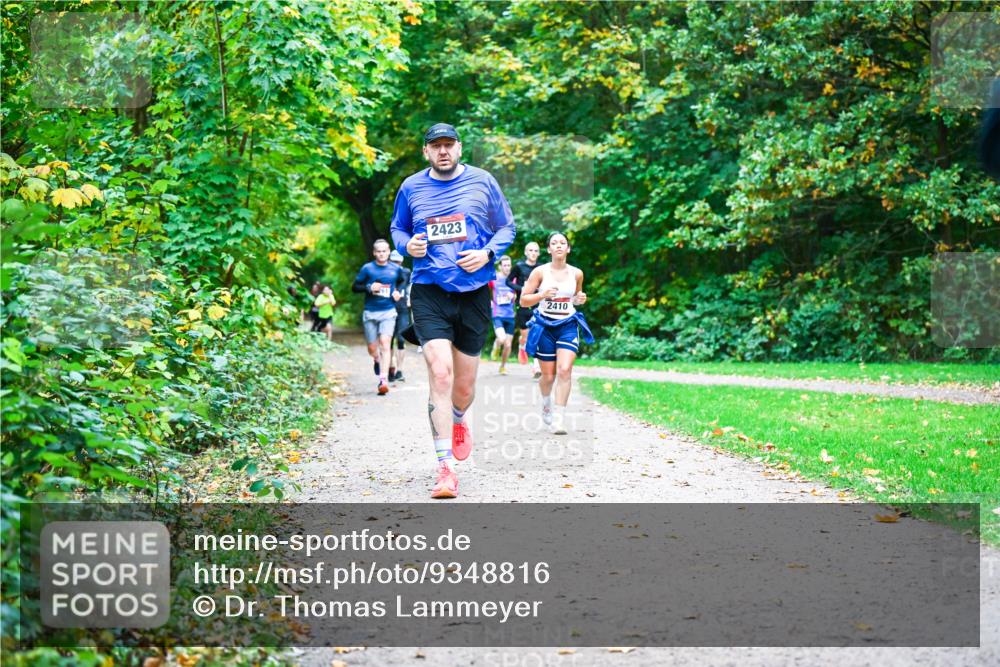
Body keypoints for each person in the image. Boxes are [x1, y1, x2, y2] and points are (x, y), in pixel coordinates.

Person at [390, 122, 515, 499]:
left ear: (459, 148)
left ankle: (459, 418)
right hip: (429, 290)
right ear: (426, 152)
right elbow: (398, 229)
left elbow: (506, 227)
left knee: (463, 387)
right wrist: (407, 245)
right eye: (435, 146)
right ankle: (445, 469)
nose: (443, 151)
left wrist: (487, 253)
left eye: (449, 145)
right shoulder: (411, 187)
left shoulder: (483, 182)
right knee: (440, 375)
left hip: (474, 292)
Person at [519, 232, 593, 435]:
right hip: (544, 326)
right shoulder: (540, 273)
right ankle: (545, 403)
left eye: (563, 243)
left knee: (565, 370)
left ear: (568, 249)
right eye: (554, 243)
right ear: (549, 249)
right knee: (548, 375)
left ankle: (559, 419)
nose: (559, 246)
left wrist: (579, 299)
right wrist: (542, 294)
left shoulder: (577, 273)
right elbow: (523, 300)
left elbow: (575, 297)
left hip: (567, 324)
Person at [352, 239, 407, 395]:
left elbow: (402, 282)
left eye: (384, 251)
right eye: (379, 251)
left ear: (389, 252)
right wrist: (369, 287)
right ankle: (376, 359)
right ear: (374, 253)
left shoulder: (395, 269)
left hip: (388, 311)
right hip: (370, 311)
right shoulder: (367, 269)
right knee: (372, 348)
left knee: (385, 343)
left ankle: (383, 380)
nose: (382, 254)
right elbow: (355, 287)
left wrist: (397, 291)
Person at [506, 241, 542, 378]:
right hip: (523, 305)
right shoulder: (519, 267)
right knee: (526, 336)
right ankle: (522, 344)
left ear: (538, 253)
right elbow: (508, 281)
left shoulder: (542, 268)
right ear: (526, 252)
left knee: (536, 336)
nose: (533, 253)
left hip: (538, 305)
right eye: (530, 250)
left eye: (536, 251)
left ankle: (536, 367)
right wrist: (521, 289)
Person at [489, 255, 516, 374]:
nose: (507, 268)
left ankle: (503, 366)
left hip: (510, 315)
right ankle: (496, 346)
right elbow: (483, 289)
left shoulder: (514, 280)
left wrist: (514, 296)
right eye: (504, 265)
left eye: (509, 265)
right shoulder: (494, 278)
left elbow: (518, 295)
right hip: (497, 313)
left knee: (508, 345)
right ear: (500, 267)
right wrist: (488, 301)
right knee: (502, 338)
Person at [388, 250, 412, 382]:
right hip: (389, 308)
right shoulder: (386, 272)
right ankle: (391, 368)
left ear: (401, 261)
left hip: (402, 308)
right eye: (393, 261)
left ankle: (400, 370)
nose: (396, 264)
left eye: (398, 261)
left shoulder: (406, 272)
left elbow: (409, 286)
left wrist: (410, 299)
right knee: (389, 340)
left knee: (401, 339)